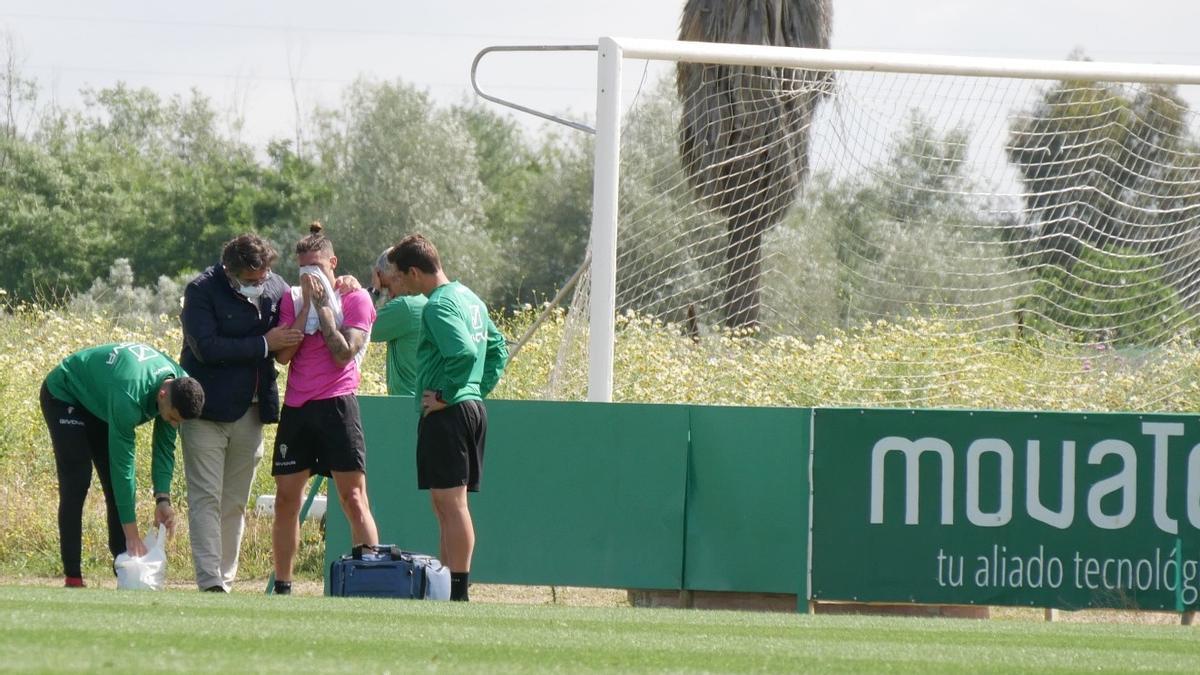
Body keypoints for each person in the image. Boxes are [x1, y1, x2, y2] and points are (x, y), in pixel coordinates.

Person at [179, 234, 303, 592]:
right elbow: (205, 347)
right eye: (250, 280)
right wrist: (265, 344)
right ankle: (209, 582)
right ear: (229, 272)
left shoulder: (276, 285)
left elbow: (305, 300)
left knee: (234, 502)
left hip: (252, 411)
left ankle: (226, 580)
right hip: (206, 411)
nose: (258, 284)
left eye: (262, 277)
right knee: (205, 498)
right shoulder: (201, 290)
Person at [388, 233, 508, 602]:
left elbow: (464, 351)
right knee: (444, 503)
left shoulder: (438, 305)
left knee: (452, 504)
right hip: (467, 409)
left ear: (413, 271)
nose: (399, 285)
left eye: (400, 277)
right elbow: (497, 349)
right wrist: (475, 390)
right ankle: (445, 587)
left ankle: (458, 592)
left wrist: (448, 394)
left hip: (449, 413)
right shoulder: (468, 297)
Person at [270, 221, 379, 595]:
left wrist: (325, 310)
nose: (310, 275)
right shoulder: (292, 300)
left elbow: (342, 353)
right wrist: (305, 309)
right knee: (287, 499)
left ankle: (369, 582)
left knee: (352, 497)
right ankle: (283, 585)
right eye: (303, 269)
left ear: (333, 263)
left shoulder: (355, 299)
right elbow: (283, 356)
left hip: (337, 404)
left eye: (316, 267)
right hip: (298, 407)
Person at [40, 343, 205, 588]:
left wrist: (162, 500)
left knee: (111, 484)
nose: (172, 424)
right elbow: (123, 467)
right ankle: (73, 576)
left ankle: (125, 570)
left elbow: (163, 450)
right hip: (65, 393)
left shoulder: (178, 386)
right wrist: (132, 535)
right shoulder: (129, 395)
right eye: (171, 418)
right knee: (78, 480)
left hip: (100, 400)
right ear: (162, 394)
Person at [369, 248, 427, 397]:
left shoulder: (405, 307)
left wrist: (374, 291)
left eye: (387, 287)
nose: (390, 294)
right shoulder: (424, 301)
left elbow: (362, 328)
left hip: (407, 400)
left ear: (399, 276)